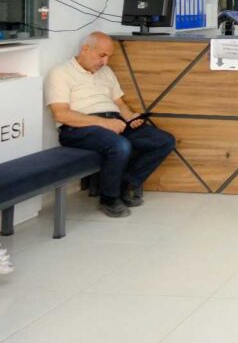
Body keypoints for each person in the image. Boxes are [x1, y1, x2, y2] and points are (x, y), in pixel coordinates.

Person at [44, 32, 176, 218]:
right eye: (102, 55)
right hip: (79, 128)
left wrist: (131, 118)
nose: (105, 62)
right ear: (85, 49)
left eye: (108, 57)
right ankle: (109, 198)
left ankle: (125, 184)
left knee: (163, 141)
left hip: (114, 121)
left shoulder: (106, 72)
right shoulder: (60, 73)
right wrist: (104, 123)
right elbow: (61, 114)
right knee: (120, 145)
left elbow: (119, 104)